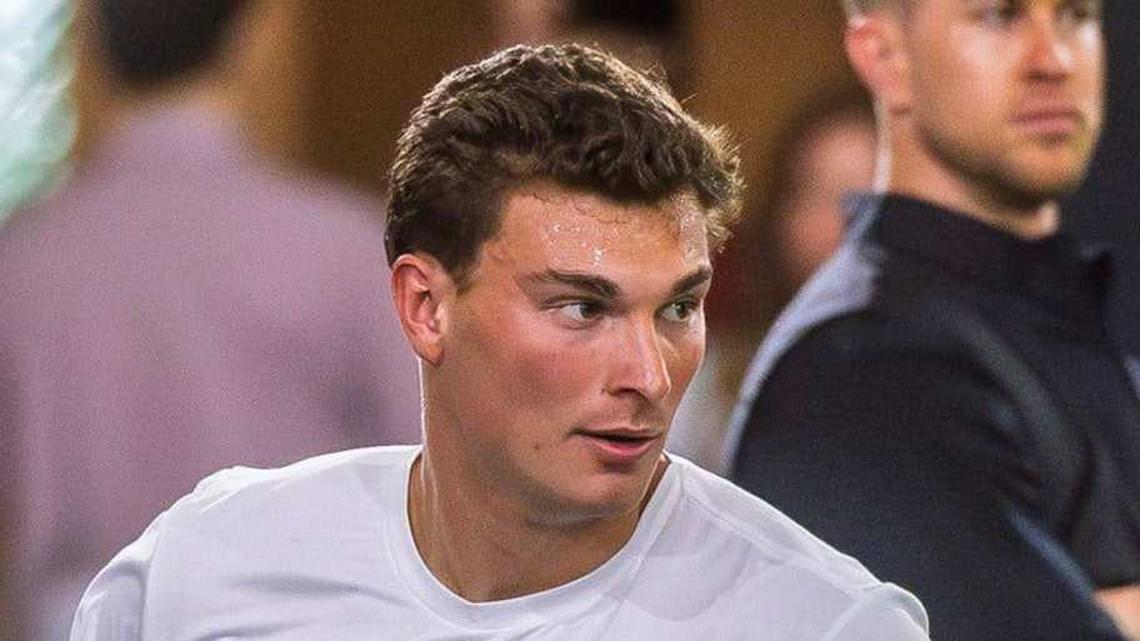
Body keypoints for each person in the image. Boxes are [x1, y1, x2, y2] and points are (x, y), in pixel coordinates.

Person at [69, 43, 930, 640]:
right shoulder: (207, 568)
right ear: (425, 306)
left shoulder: (821, 620)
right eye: (582, 309)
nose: (648, 376)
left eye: (677, 308)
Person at [0, 1, 421, 638]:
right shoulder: (345, 252)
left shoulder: (22, 260)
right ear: (251, 36)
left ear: (88, 39)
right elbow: (432, 488)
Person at [727, 1, 1140, 640]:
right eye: (1001, 17)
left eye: (1075, 16)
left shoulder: (1063, 322)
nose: (1054, 60)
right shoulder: (860, 365)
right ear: (885, 57)